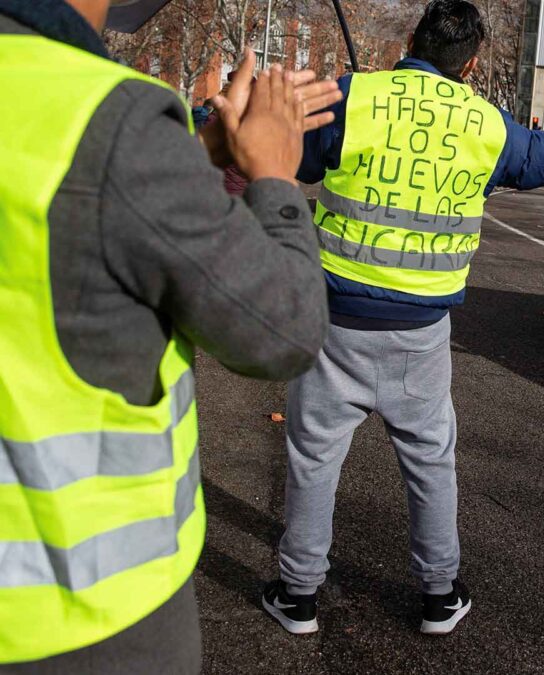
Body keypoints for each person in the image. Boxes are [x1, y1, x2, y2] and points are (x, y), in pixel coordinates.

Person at [0, 0, 342, 671]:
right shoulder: (105, 113)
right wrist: (273, 170)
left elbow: (83, 218)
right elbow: (281, 327)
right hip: (81, 618)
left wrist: (187, 161)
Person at [263, 0, 544, 638]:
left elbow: (293, 156)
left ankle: (299, 595)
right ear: (470, 64)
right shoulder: (487, 125)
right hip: (422, 337)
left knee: (312, 458)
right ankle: (440, 596)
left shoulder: (355, 95)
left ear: (411, 40)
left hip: (334, 323)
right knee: (429, 462)